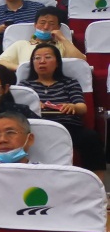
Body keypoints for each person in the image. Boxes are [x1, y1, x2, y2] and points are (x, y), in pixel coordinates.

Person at [22, 42, 105, 173]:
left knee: (91, 137)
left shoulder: (69, 83)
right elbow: (19, 109)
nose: (42, 61)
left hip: (67, 127)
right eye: (37, 58)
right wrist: (34, 105)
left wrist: (73, 106)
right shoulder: (25, 85)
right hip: (36, 128)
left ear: (57, 63)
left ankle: (96, 182)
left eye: (47, 57)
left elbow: (82, 107)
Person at [0, 7, 85, 70]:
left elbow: (81, 61)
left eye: (51, 24)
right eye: (42, 23)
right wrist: (22, 68)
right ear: (35, 25)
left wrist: (63, 39)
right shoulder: (21, 44)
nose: (46, 27)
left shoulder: (63, 45)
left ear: (58, 27)